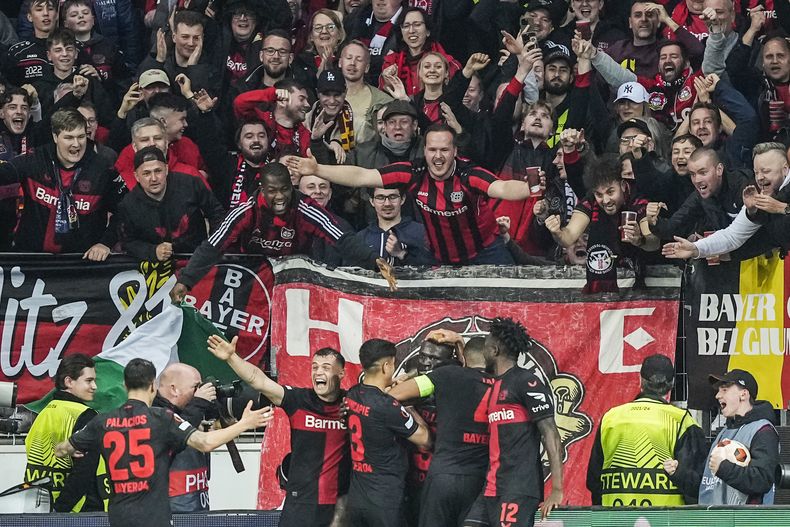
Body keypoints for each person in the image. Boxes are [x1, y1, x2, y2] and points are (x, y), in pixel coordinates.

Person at [54, 358, 273, 527]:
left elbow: (62, 449)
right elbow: (205, 442)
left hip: (119, 518)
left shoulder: (102, 421)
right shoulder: (162, 418)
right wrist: (245, 423)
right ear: (152, 386)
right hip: (155, 518)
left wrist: (71, 449)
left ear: (124, 385)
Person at [285, 123, 538, 265]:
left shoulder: (468, 174)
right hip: (439, 257)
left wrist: (529, 188)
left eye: (444, 150)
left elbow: (502, 188)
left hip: (486, 252)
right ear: (424, 151)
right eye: (432, 150)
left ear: (454, 152)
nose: (438, 156)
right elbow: (363, 176)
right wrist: (318, 169)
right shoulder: (413, 172)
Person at [169, 163, 393, 302]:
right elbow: (212, 246)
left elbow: (341, 237)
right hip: (251, 282)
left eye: (285, 189)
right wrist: (186, 281)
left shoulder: (306, 209)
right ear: (262, 190)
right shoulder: (245, 211)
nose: (280, 197)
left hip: (291, 283)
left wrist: (373, 260)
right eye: (272, 191)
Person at [206, 336, 349, 527]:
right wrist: (232, 358)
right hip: (300, 503)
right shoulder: (298, 400)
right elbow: (258, 380)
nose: (318, 372)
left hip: (339, 505)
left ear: (341, 373)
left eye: (326, 367)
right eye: (314, 367)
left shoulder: (352, 403)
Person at [463, 317, 563, 527]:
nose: (483, 352)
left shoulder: (526, 381)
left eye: (486, 347)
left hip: (518, 487)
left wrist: (556, 489)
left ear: (495, 350)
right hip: (491, 487)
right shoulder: (495, 385)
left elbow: (551, 433)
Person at [390, 330, 494, 527]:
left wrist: (409, 405)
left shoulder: (447, 376)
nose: (427, 363)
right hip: (475, 479)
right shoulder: (502, 382)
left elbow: (394, 395)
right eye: (423, 356)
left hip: (443, 477)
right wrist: (460, 342)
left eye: (434, 359)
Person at [0, 108, 125, 258]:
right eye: (69, 137)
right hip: (32, 259)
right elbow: (5, 173)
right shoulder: (34, 160)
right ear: (55, 137)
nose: (76, 144)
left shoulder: (103, 169)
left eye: (81, 137)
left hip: (81, 262)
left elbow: (126, 210)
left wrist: (105, 243)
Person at [586, 354, 707, 506]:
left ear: (640, 380)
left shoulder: (611, 418)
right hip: (666, 517)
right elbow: (697, 484)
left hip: (615, 515)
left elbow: (593, 480)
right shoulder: (682, 420)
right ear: (671, 384)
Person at [345, 338, 432, 527]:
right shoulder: (387, 406)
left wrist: (390, 388)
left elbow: (373, 401)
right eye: (393, 364)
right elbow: (425, 439)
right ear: (386, 366)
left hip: (356, 500)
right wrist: (407, 406)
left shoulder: (352, 394)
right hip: (384, 501)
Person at [661, 142, 788, 260]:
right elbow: (732, 236)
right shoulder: (760, 197)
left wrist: (783, 208)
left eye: (766, 171)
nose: (759, 178)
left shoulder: (773, 196)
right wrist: (696, 248)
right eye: (756, 172)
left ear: (785, 170)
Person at [24, 354, 107, 512]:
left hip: (40, 507)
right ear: (69, 381)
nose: (94, 386)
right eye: (89, 380)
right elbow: (84, 472)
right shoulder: (86, 416)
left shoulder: (43, 413)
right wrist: (60, 510)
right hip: (78, 511)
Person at [116, 146, 225, 262]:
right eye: (146, 173)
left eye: (158, 171)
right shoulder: (128, 204)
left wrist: (211, 247)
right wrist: (152, 251)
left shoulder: (190, 184)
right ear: (137, 176)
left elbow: (217, 214)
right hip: (154, 264)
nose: (153, 178)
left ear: (166, 169)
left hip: (197, 258)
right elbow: (127, 242)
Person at [695, 370, 780, 504]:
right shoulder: (724, 432)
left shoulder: (763, 431)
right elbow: (706, 482)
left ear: (743, 394)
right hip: (714, 516)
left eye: (724, 390)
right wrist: (678, 473)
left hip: (746, 517)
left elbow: (762, 480)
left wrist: (723, 468)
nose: (717, 395)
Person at [153, 362, 217, 513]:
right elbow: (175, 434)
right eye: (196, 387)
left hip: (197, 506)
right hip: (171, 512)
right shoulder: (156, 415)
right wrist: (199, 404)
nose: (200, 393)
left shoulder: (190, 415)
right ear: (174, 389)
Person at [233, 79, 312, 160]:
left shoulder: (303, 133)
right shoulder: (260, 120)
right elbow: (240, 103)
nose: (307, 105)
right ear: (282, 101)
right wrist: (271, 94)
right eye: (301, 99)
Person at [355, 187, 433, 266]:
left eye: (393, 197)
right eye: (380, 198)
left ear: (402, 199)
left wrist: (401, 253)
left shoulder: (422, 233)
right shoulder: (361, 238)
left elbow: (433, 267)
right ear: (372, 201)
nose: (387, 204)